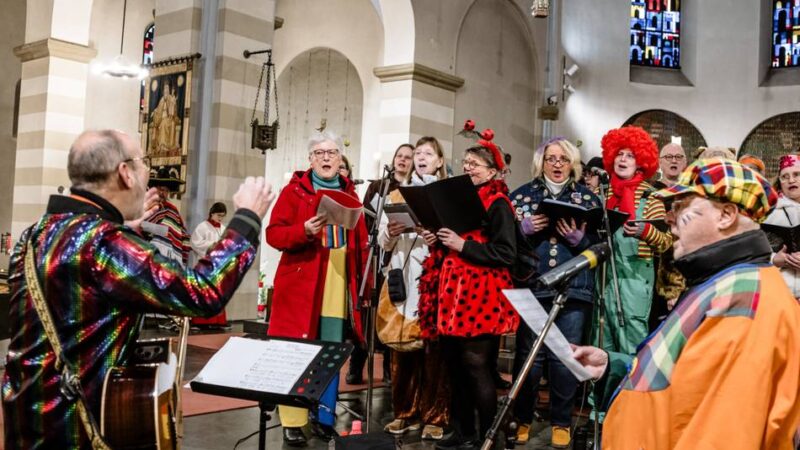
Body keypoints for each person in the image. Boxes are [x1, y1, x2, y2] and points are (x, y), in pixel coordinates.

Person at [2, 130, 274, 449]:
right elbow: (203, 292)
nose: (149, 174)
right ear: (125, 173)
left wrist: (123, 228)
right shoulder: (105, 244)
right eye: (144, 162)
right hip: (77, 427)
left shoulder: (36, 233)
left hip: (29, 420)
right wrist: (247, 219)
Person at [573, 158, 800, 449]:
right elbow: (688, 381)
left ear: (725, 215)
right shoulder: (721, 282)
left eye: (681, 207)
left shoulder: (742, 301)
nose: (669, 218)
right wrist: (613, 367)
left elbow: (722, 437)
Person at [265, 130, 369, 446]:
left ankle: (324, 416)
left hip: (338, 286)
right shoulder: (293, 192)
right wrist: (303, 230)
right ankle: (293, 421)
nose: (326, 158)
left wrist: (364, 286)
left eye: (332, 152)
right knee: (296, 352)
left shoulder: (351, 196)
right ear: (310, 159)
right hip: (300, 286)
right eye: (319, 153)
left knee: (330, 353)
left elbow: (362, 243)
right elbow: (273, 235)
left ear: (340, 159)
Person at [417, 127, 518, 449]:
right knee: (454, 366)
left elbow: (506, 253)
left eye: (475, 163)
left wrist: (463, 245)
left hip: (482, 292)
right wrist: (438, 241)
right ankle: (462, 432)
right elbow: (452, 240)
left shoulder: (499, 202)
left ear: (493, 170)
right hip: (451, 291)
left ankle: (488, 435)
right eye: (466, 161)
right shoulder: (459, 197)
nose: (468, 167)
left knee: (477, 367)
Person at [510, 137, 601, 448]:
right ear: (541, 162)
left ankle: (561, 421)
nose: (557, 164)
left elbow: (603, 248)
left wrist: (581, 241)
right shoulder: (521, 196)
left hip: (575, 288)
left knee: (566, 356)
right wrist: (520, 232)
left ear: (572, 163)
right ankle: (522, 417)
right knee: (529, 358)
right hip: (533, 285)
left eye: (563, 159)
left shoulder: (588, 199)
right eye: (551, 158)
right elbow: (503, 244)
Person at [378, 136, 450, 440]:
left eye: (428, 153)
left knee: (435, 353)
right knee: (403, 352)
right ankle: (405, 412)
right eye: (417, 153)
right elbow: (382, 242)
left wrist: (437, 237)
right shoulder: (397, 195)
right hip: (404, 275)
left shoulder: (446, 194)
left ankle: (435, 415)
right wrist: (392, 233)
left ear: (439, 161)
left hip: (437, 278)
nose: (421, 158)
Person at [595, 126, 672, 357]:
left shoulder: (652, 198)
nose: (623, 159)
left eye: (630, 155)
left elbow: (666, 243)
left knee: (631, 344)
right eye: (619, 154)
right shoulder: (602, 195)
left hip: (636, 278)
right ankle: (599, 394)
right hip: (603, 276)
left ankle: (628, 393)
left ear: (641, 162)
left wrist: (645, 231)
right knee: (600, 343)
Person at [346, 143, 414, 385]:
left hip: (396, 259)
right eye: (399, 156)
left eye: (408, 157)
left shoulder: (412, 188)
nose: (403, 160)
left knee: (389, 312)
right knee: (367, 314)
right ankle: (357, 362)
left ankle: (388, 369)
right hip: (374, 255)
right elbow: (365, 219)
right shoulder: (379, 186)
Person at [764, 154, 800, 298]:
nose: (791, 180)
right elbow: (751, 253)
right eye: (785, 176)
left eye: (797, 174)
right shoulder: (768, 211)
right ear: (779, 181)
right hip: (781, 291)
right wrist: (774, 259)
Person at [190, 202, 230, 329]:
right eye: (219, 215)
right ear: (212, 213)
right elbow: (194, 243)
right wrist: (212, 245)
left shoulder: (223, 228)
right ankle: (200, 322)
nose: (220, 218)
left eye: (222, 216)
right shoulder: (202, 227)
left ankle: (217, 321)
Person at [146, 166, 190, 267]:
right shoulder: (146, 206)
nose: (162, 193)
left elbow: (182, 234)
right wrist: (163, 231)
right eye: (160, 189)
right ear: (154, 189)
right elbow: (139, 226)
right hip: (148, 254)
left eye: (165, 190)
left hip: (170, 260)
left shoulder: (172, 210)